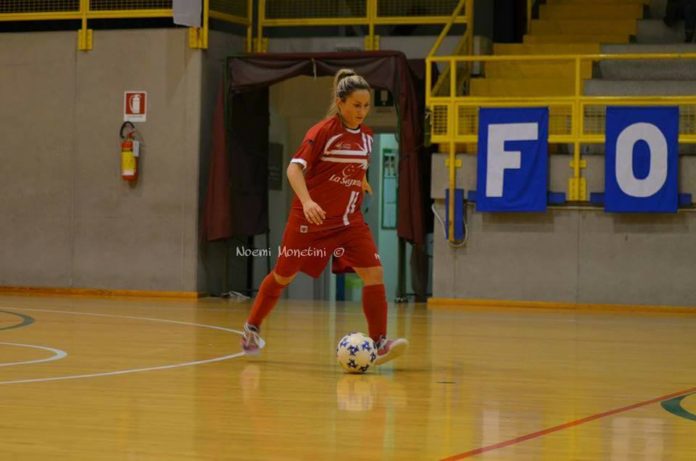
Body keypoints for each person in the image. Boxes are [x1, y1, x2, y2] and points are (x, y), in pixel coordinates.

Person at [240, 69, 409, 366]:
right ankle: (252, 326)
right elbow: (294, 169)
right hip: (311, 221)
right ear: (340, 103)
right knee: (283, 276)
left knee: (374, 274)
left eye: (366, 105)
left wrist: (362, 181)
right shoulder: (322, 132)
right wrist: (307, 202)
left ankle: (380, 342)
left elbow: (355, 166)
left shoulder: (368, 138)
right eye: (356, 105)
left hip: (349, 222)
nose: (362, 111)